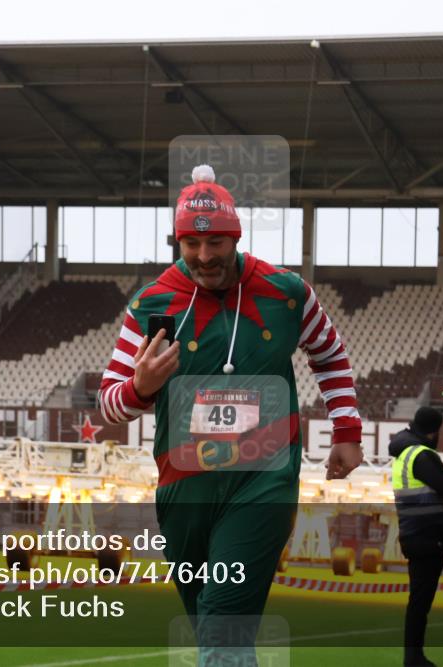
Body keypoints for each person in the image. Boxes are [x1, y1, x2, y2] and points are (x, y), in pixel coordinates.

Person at [98, 164, 363, 664]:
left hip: (262, 481)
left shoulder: (288, 293)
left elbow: (329, 352)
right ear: (178, 241)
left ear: (236, 236)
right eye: (191, 245)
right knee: (210, 623)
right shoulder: (150, 303)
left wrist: (346, 429)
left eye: (216, 243)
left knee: (222, 616)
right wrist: (140, 386)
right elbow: (109, 403)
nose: (204, 256)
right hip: (185, 486)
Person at [389, 407, 443, 667]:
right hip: (427, 535)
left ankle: (414, 656)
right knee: (420, 602)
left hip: (413, 533)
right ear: (433, 431)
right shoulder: (421, 455)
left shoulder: (404, 454)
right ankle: (413, 657)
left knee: (418, 601)